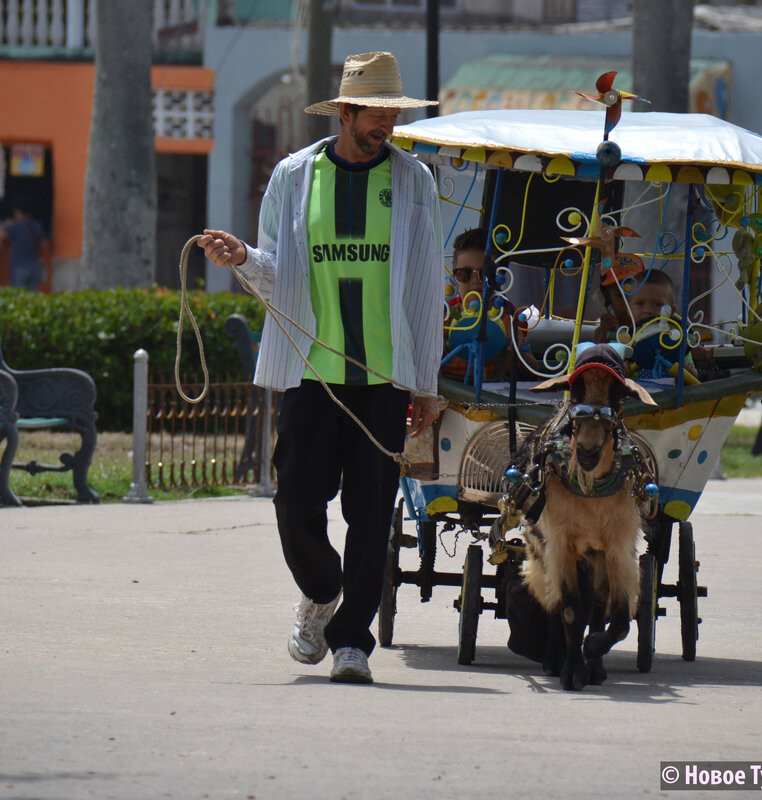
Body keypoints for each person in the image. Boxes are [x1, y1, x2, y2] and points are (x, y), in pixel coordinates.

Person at [197, 52, 443, 684]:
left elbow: (424, 285)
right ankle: (321, 591)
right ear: (345, 111)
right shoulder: (294, 176)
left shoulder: (414, 181)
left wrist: (428, 384)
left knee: (371, 510)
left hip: (384, 379)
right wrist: (243, 258)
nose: (385, 124)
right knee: (296, 498)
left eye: (393, 113)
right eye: (375, 113)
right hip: (310, 373)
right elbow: (279, 270)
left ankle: (352, 641)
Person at [442, 227, 526, 381]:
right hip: (445, 393)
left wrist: (518, 350)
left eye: (485, 274)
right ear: (453, 280)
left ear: (501, 278)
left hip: (490, 395)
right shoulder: (443, 315)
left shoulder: (510, 317)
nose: (475, 281)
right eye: (464, 274)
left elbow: (530, 372)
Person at [0, 200, 49, 290]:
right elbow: (45, 245)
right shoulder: (37, 225)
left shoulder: (15, 226)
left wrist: (6, 225)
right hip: (34, 265)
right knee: (32, 297)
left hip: (19, 266)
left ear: (18, 211)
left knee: (18, 297)